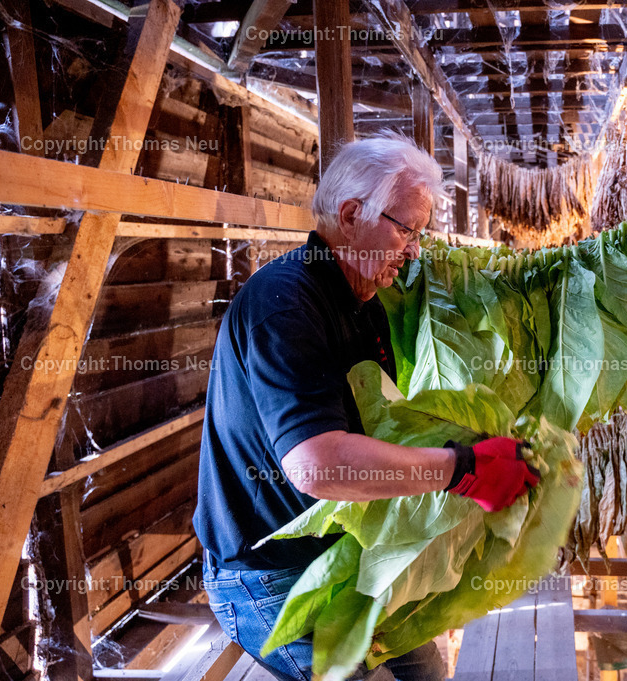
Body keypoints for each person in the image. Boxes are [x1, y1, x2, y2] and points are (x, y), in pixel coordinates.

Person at [193, 133, 540, 681]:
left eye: (420, 234)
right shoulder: (285, 305)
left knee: (428, 672)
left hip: (348, 551)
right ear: (352, 214)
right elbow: (318, 464)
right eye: (407, 230)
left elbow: (387, 419)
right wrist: (460, 471)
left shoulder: (364, 300)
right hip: (269, 575)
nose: (415, 251)